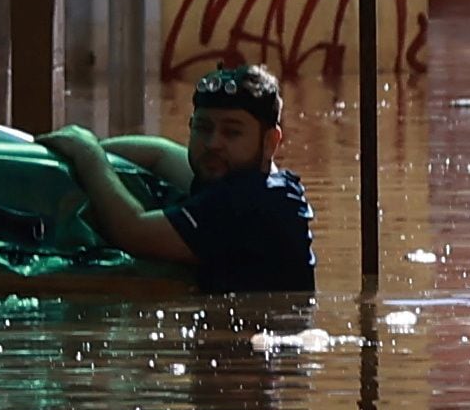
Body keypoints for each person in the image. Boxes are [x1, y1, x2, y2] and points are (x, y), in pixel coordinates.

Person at [40, 63, 316, 295]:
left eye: (231, 132)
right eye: (203, 128)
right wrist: (72, 151)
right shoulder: (271, 184)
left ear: (270, 141)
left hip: (243, 351)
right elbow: (159, 154)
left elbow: (133, 231)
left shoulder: (249, 202)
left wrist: (88, 153)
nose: (213, 143)